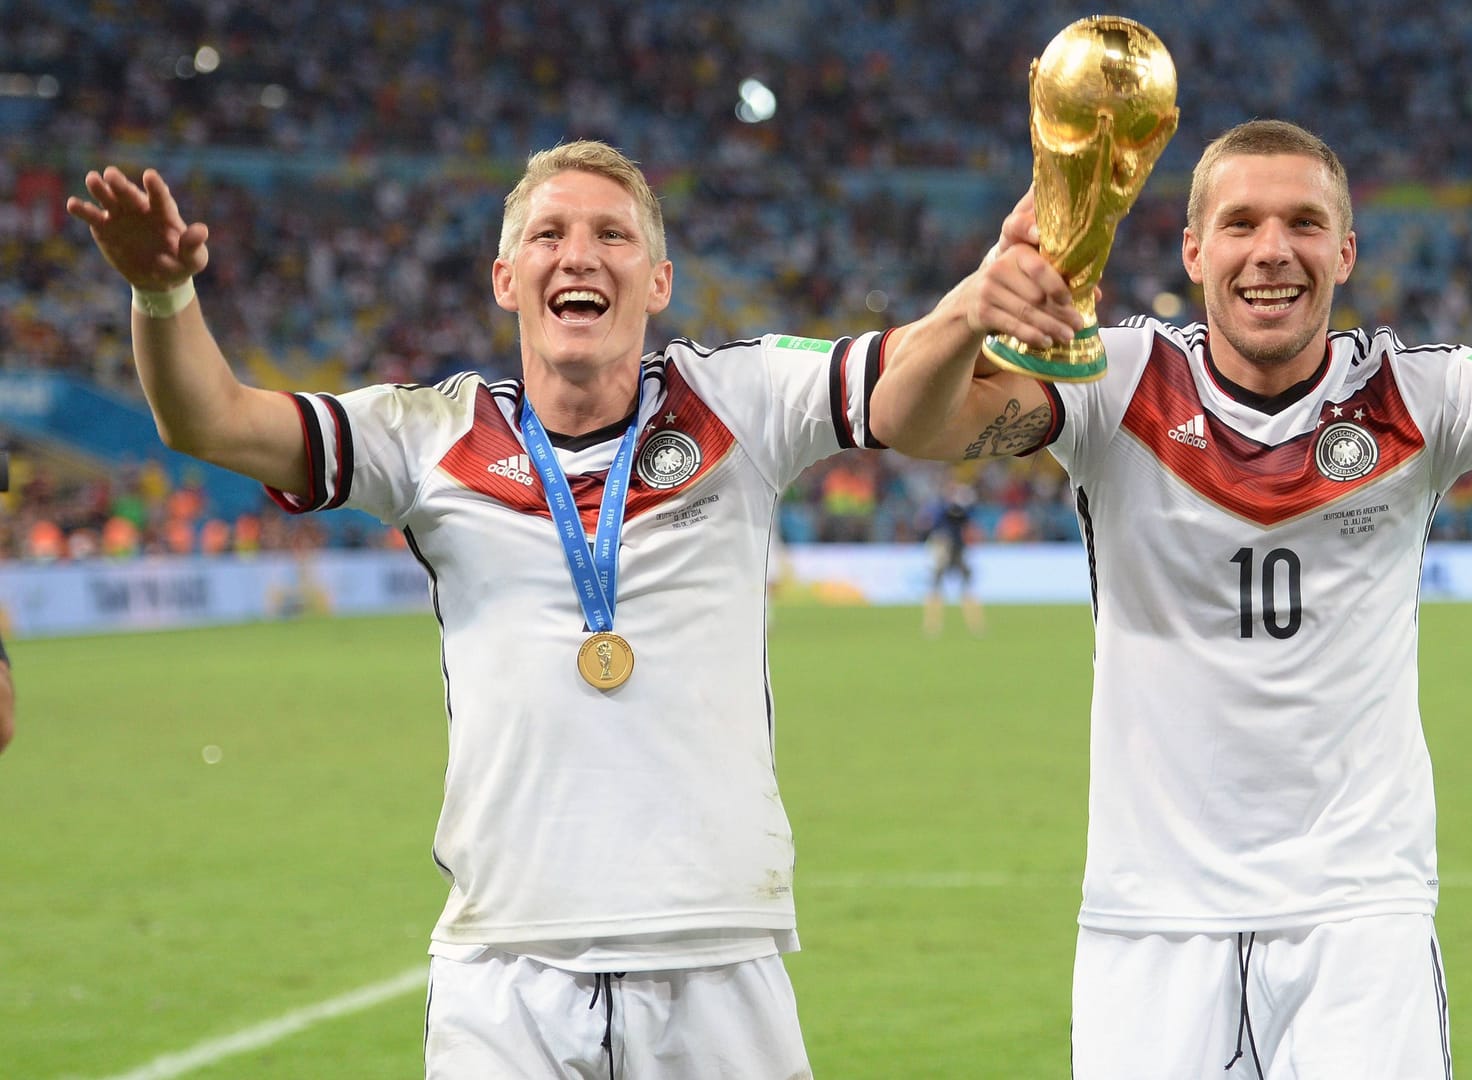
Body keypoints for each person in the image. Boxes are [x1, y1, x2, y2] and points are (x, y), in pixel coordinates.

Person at [871, 119, 1472, 1078]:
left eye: (1305, 223)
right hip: (1152, 920)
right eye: (1242, 223)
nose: (1273, 250)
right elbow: (907, 421)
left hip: (1359, 918)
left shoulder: (1419, 395)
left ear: (1345, 250)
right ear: (1193, 250)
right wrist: (972, 309)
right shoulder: (1114, 381)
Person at [66, 141, 908, 1079]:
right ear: (507, 279)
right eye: (548, 234)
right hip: (503, 970)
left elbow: (903, 371)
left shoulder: (736, 400)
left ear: (660, 279)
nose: (578, 254)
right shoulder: (425, 435)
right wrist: (162, 296)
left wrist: (992, 287)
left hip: (715, 951)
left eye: (612, 235)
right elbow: (211, 421)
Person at [921, 478, 986, 636]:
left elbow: (967, 518)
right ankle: (932, 625)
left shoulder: (959, 509)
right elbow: (933, 525)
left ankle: (976, 624)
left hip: (957, 549)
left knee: (965, 588)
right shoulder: (940, 508)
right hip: (944, 549)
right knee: (936, 588)